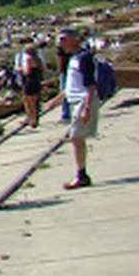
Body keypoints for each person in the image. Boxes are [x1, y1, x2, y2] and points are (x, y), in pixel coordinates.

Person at [46, 28, 101, 189]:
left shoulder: (85, 58)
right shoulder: (73, 58)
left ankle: (81, 175)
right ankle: (81, 173)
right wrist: (56, 100)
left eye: (63, 39)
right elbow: (71, 86)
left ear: (75, 39)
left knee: (76, 138)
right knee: (77, 139)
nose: (60, 43)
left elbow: (90, 86)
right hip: (75, 101)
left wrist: (87, 108)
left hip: (83, 101)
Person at [18, 44, 45, 128]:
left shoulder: (28, 59)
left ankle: (30, 118)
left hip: (29, 80)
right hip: (36, 80)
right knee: (35, 100)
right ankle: (35, 118)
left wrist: (20, 69)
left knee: (28, 100)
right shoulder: (38, 59)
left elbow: (27, 71)